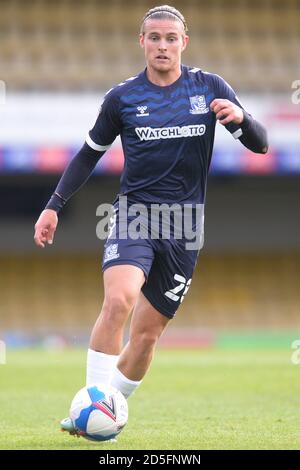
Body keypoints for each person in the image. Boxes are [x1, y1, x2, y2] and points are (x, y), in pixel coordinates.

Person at [34, 5, 268, 436]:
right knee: (119, 300)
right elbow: (89, 154)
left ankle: (102, 417)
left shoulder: (210, 87)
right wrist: (53, 204)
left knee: (145, 338)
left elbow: (261, 145)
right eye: (154, 37)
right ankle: (91, 407)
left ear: (184, 43)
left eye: (171, 38)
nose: (163, 45)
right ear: (141, 42)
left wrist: (243, 120)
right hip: (134, 216)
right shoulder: (122, 98)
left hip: (185, 226)